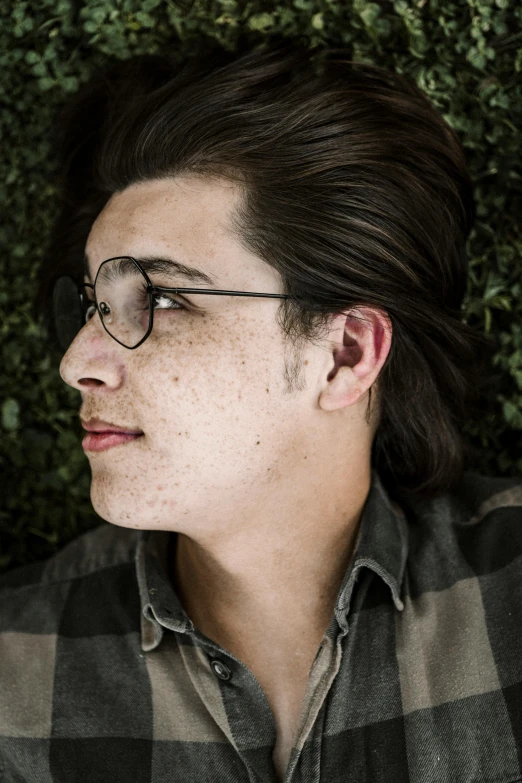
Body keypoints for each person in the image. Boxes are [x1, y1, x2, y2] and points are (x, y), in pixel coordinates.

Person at [1, 35, 521, 783]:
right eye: (91, 305)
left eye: (165, 298)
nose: (76, 362)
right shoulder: (15, 672)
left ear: (344, 353)